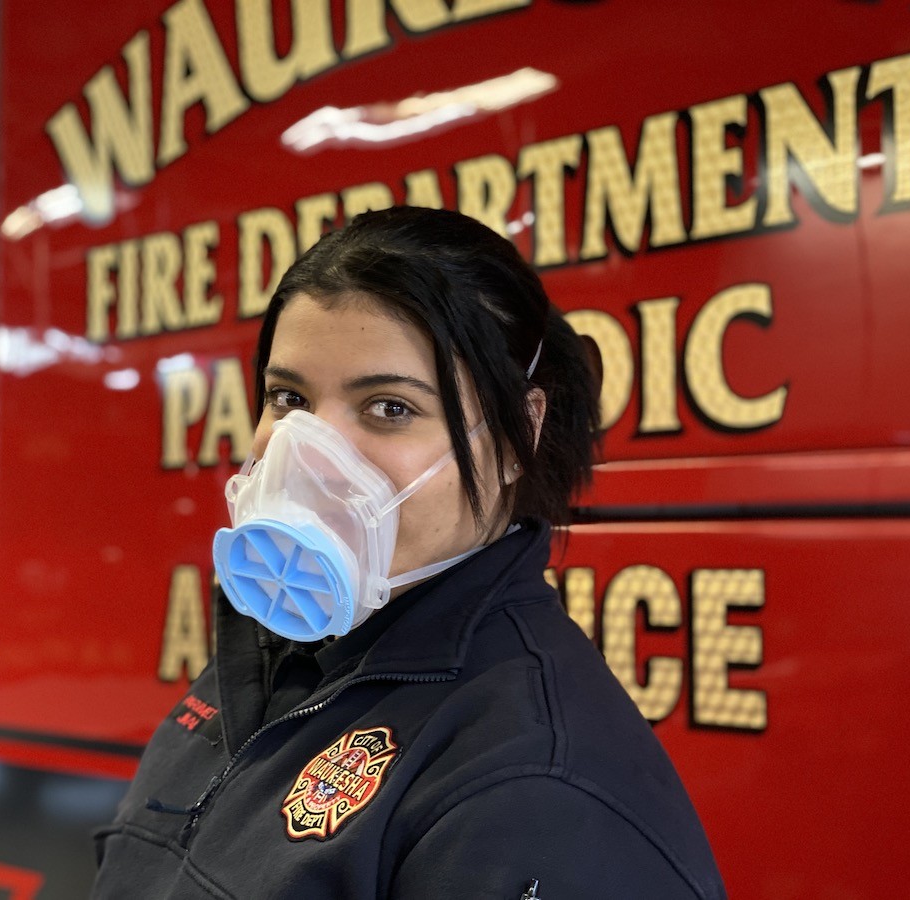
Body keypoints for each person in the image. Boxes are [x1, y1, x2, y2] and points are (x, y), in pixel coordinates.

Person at [91, 207, 726, 899]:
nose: (311, 458)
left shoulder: (531, 788)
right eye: (289, 397)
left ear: (517, 436)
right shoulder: (280, 651)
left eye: (389, 408)